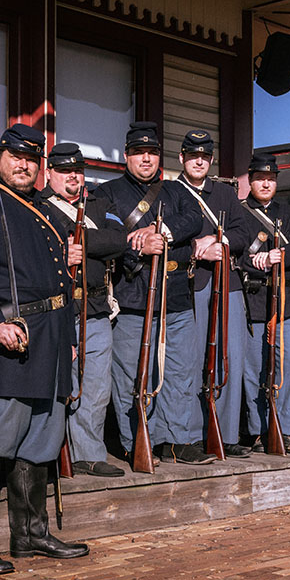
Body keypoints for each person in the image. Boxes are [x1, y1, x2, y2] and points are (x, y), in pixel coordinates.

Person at [0, 123, 89, 575]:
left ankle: (30, 536)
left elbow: (59, 286)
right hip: (8, 340)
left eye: (31, 158)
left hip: (48, 340)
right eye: (15, 156)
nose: (23, 164)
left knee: (40, 440)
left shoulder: (41, 212)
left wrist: (66, 341)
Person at [91, 122, 208, 466]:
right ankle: (134, 442)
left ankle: (176, 441)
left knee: (180, 373)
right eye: (139, 152)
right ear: (126, 155)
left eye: (152, 153)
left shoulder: (175, 190)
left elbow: (195, 219)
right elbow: (108, 232)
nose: (146, 159)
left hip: (175, 299)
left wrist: (164, 233)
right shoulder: (107, 192)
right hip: (132, 298)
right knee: (131, 376)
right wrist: (136, 243)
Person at [42, 143, 128, 477]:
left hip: (95, 306)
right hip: (57, 309)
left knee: (94, 387)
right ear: (50, 174)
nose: (72, 177)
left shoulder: (100, 204)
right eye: (64, 172)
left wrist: (82, 245)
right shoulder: (40, 207)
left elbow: (118, 241)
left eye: (77, 171)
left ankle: (88, 454)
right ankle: (48, 455)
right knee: (55, 384)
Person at [176, 130, 253, 457]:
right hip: (189, 284)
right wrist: (196, 248)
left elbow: (244, 232)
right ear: (181, 158)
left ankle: (227, 433)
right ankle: (192, 434)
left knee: (230, 358)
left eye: (205, 157)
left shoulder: (223, 194)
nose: (199, 161)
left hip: (227, 283)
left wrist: (219, 243)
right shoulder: (170, 191)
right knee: (191, 360)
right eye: (193, 156)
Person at [240, 153, 290, 454]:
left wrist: (278, 256)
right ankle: (258, 431)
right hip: (253, 300)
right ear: (251, 180)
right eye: (260, 178)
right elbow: (231, 248)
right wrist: (251, 259)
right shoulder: (239, 212)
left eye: (270, 179)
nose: (265, 183)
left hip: (285, 302)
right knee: (253, 368)